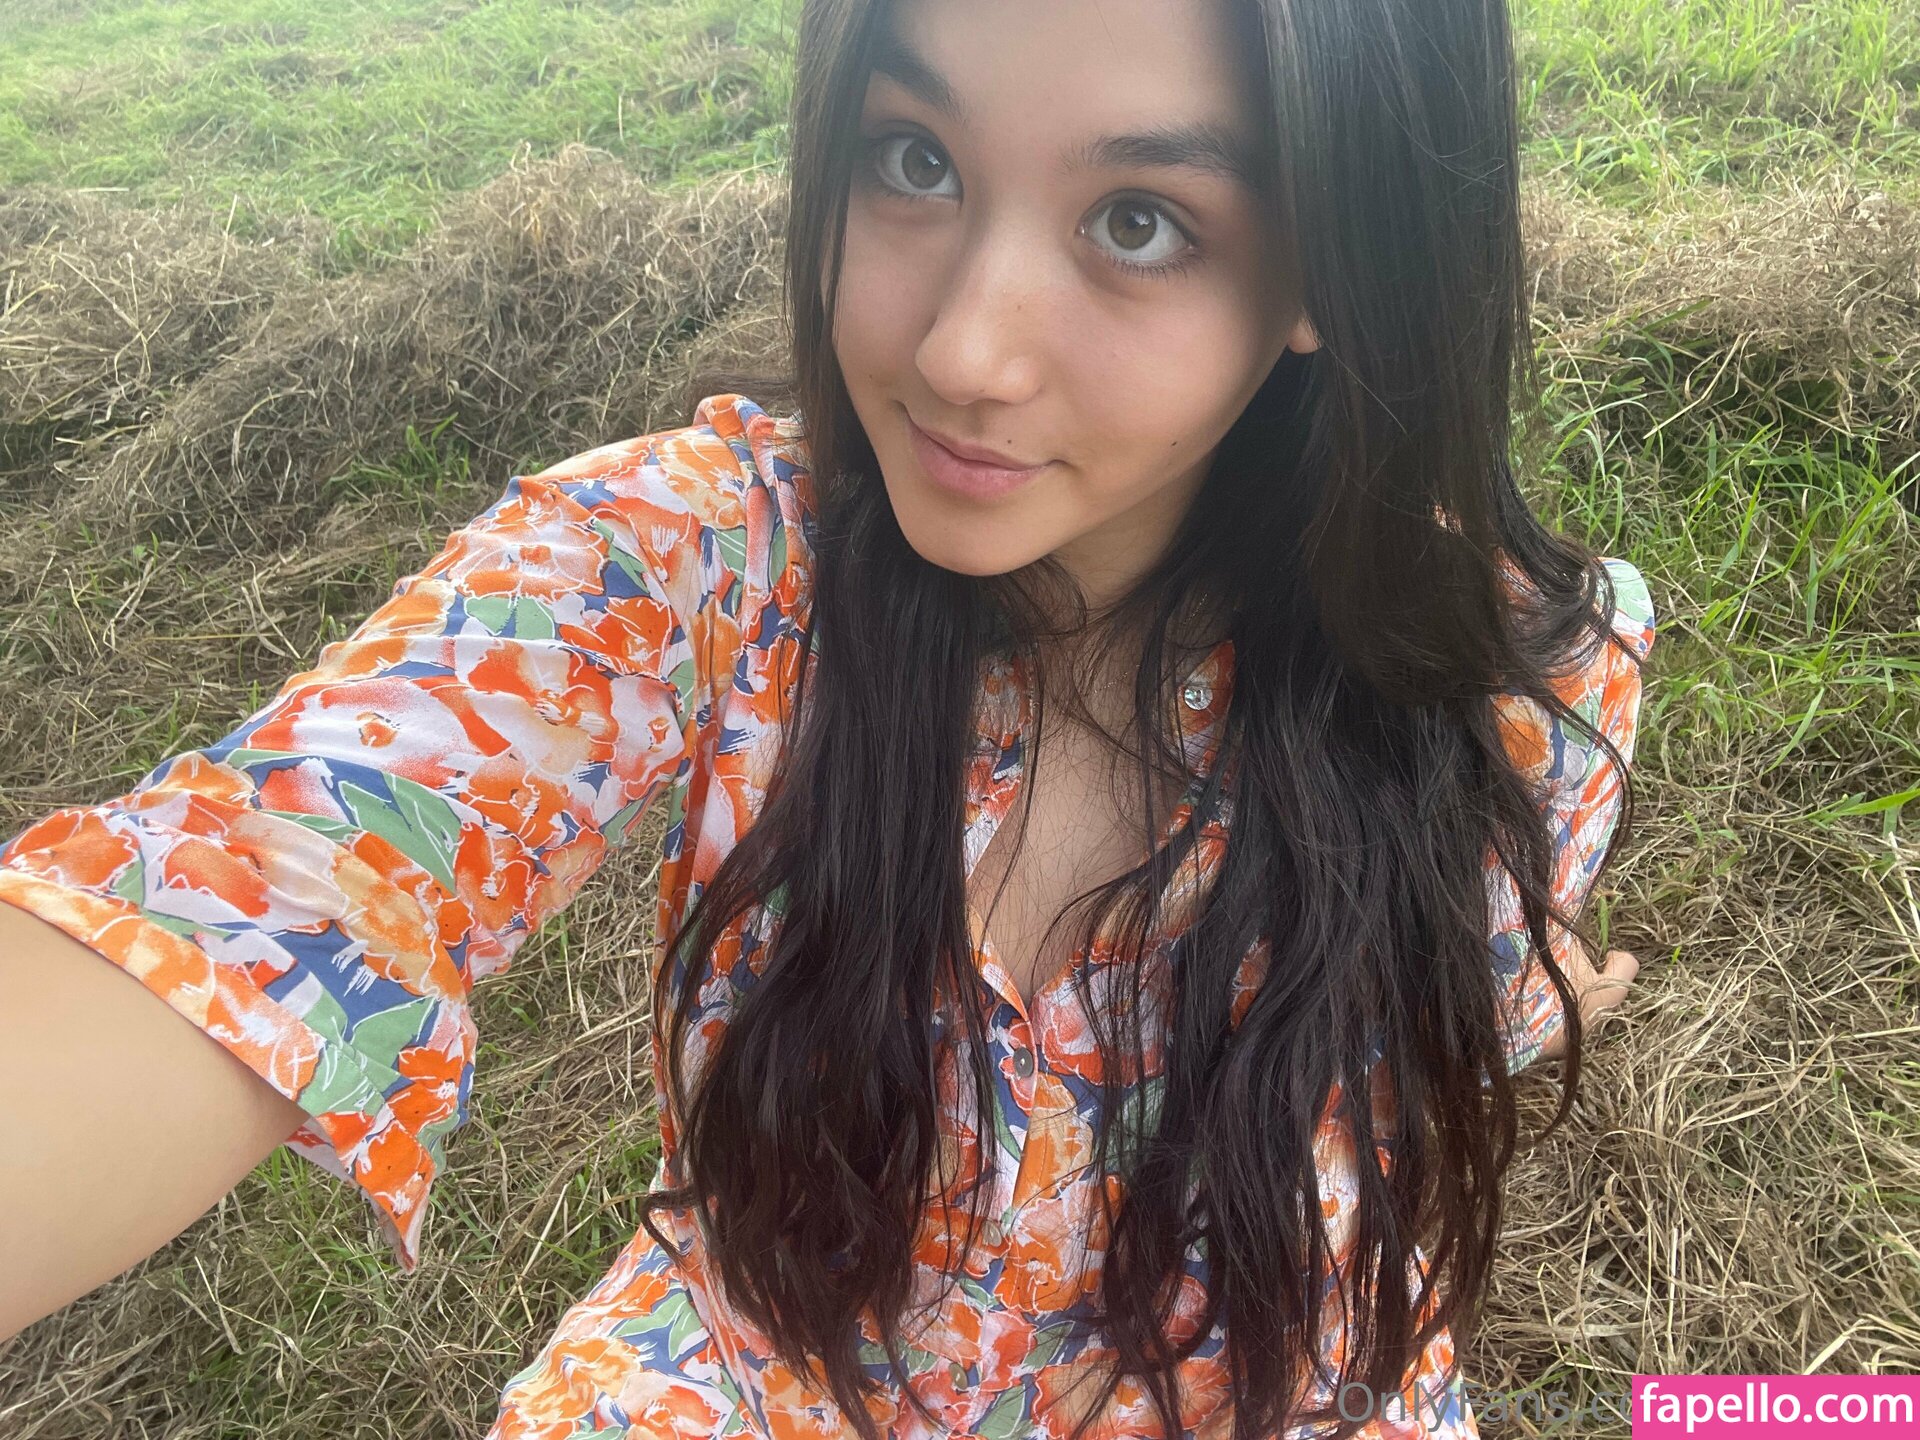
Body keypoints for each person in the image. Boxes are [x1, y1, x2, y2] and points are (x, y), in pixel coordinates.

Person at [0, 0, 1657, 1434]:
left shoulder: (1515, 678)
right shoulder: (698, 564)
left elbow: (1434, 1028)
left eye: (1141, 220)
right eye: (914, 159)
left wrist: (1512, 999)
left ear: (1333, 259)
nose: (961, 351)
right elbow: (258, 883)